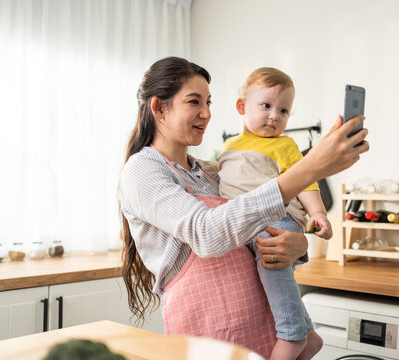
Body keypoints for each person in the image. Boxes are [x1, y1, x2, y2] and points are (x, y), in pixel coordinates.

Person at [118, 57, 368, 359]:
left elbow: (261, 222)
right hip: (210, 330)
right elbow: (206, 232)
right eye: (194, 101)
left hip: (260, 323)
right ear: (159, 108)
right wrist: (309, 167)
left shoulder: (214, 172)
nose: (207, 113)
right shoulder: (143, 170)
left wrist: (298, 243)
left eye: (209, 102)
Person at [218, 67, 332, 360]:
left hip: (274, 224)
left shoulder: (285, 144)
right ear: (242, 107)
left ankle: (292, 336)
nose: (274, 116)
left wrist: (318, 212)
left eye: (283, 111)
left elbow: (305, 179)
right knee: (281, 284)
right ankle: (308, 336)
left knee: (274, 274)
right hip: (246, 223)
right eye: (266, 106)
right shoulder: (229, 146)